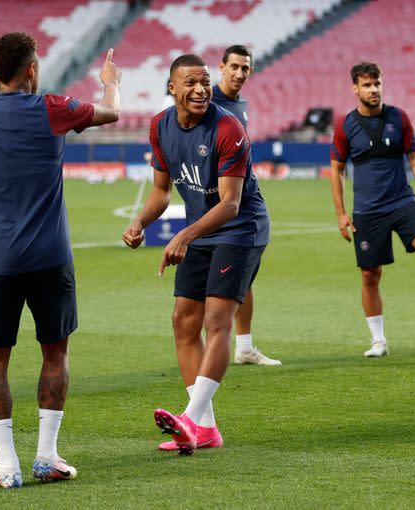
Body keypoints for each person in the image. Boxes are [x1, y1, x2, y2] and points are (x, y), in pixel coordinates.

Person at [0, 32, 121, 488]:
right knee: (55, 352)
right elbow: (112, 111)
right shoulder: (52, 109)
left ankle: (8, 466)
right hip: (50, 258)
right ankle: (46, 456)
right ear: (31, 70)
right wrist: (109, 81)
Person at [123, 54, 269, 455]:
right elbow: (161, 191)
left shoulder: (228, 128)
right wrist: (141, 223)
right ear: (172, 88)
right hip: (201, 232)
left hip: (240, 230)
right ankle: (205, 429)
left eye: (205, 81)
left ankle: (189, 417)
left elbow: (231, 204)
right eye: (190, 82)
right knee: (183, 321)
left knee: (216, 319)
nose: (201, 89)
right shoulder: (160, 126)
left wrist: (183, 234)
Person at [330, 61, 415, 358]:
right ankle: (378, 341)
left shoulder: (398, 118)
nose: (374, 89)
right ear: (355, 89)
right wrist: (341, 213)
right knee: (370, 275)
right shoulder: (346, 125)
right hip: (367, 210)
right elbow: (337, 169)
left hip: (402, 201)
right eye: (367, 84)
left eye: (377, 83)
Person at [212, 44, 280, 367]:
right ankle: (210, 352)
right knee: (208, 290)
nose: (240, 73)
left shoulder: (241, 106)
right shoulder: (207, 102)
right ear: (221, 66)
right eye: (234, 67)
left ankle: (245, 347)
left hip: (238, 204)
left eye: (245, 69)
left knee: (244, 280)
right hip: (214, 206)